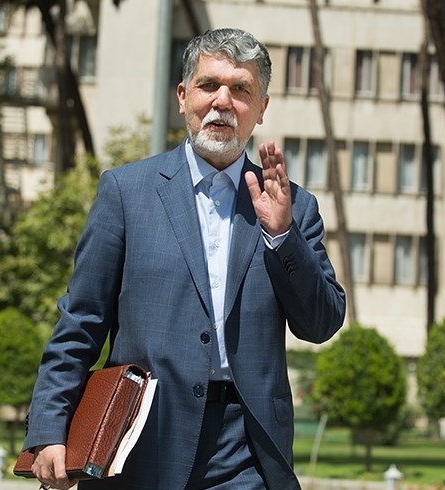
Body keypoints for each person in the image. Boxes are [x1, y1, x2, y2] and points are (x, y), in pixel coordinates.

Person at [23, 27, 346, 490]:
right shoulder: (126, 193)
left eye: (241, 89)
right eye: (208, 85)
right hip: (141, 438)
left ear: (261, 108)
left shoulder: (293, 206)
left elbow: (321, 324)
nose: (222, 101)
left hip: (247, 449)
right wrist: (49, 428)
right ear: (183, 96)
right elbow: (82, 319)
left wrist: (283, 235)